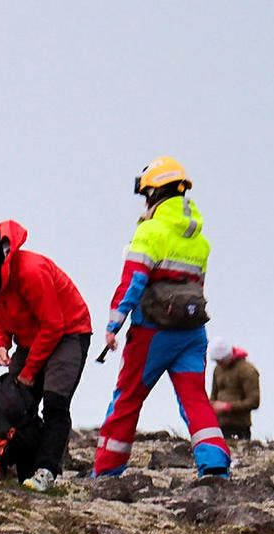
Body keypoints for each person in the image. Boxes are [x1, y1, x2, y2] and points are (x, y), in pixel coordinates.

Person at [91, 156, 231, 479]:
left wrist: (114, 324)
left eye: (146, 195)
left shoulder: (150, 233)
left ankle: (107, 469)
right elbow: (198, 285)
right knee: (195, 398)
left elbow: (132, 282)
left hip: (152, 332)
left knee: (127, 398)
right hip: (193, 332)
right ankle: (214, 464)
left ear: (155, 194)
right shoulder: (199, 239)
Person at [0, 221, 91, 491]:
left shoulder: (30, 272)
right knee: (17, 404)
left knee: (54, 401)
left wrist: (29, 372)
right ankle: (25, 470)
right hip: (30, 338)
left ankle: (45, 472)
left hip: (69, 333)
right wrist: (0, 344)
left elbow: (53, 325)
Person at [207, 337, 262, 440]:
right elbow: (214, 395)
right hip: (219, 426)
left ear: (228, 356)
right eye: (217, 361)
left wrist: (228, 407)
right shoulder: (218, 369)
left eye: (221, 361)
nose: (219, 364)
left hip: (239, 427)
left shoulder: (247, 371)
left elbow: (254, 402)